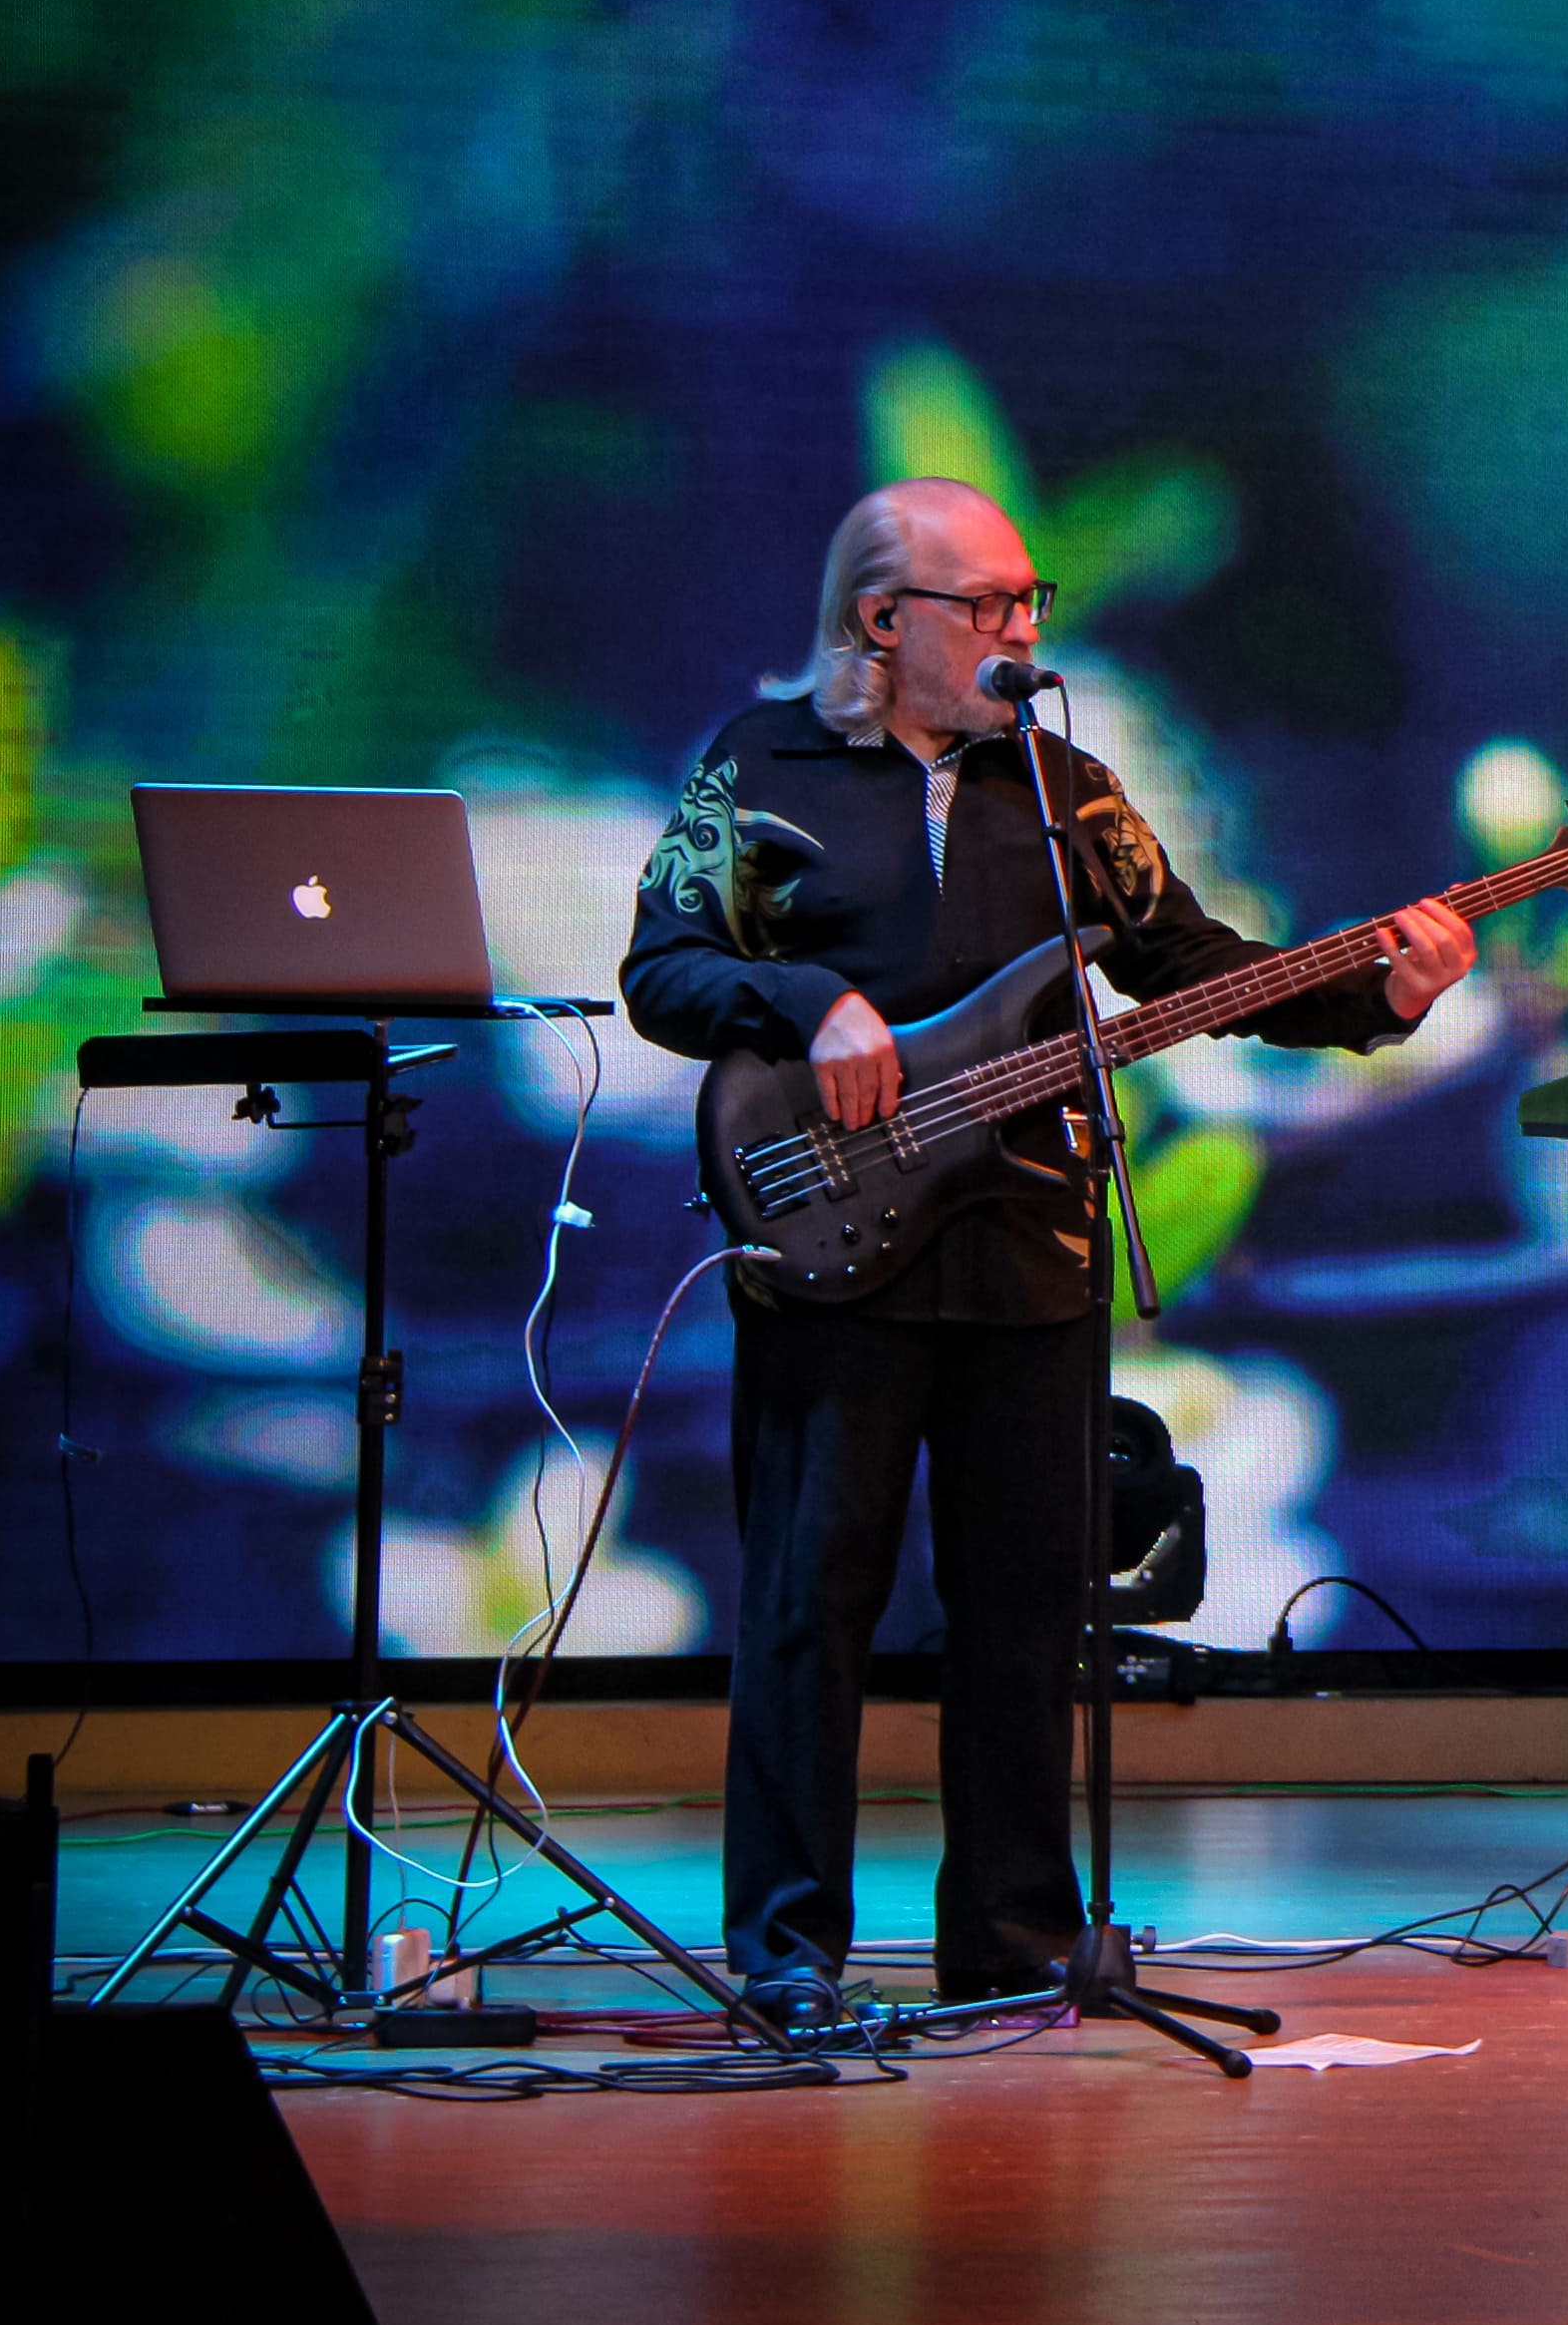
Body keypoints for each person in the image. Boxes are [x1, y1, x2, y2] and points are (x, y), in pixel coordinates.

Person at [622, 479, 1473, 2033]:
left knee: (1023, 1610)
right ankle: (789, 1951)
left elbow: (1193, 965)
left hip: (1029, 1238)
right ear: (882, 620)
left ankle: (1013, 1934)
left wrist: (1382, 995)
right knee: (810, 1596)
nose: (1021, 630)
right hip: (830, 1239)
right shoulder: (764, 765)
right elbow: (664, 968)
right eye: (988, 604)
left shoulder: (1068, 784)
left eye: (1031, 602)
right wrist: (807, 1001)